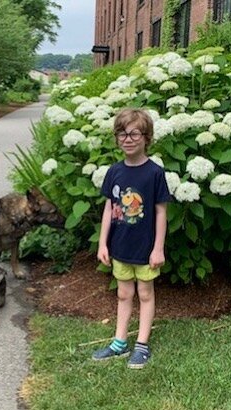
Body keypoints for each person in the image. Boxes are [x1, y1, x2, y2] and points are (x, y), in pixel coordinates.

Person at [92, 108, 171, 369]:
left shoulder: (154, 173)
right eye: (122, 133)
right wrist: (103, 243)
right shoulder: (114, 171)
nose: (128, 139)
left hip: (146, 249)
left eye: (134, 133)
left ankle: (142, 345)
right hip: (120, 247)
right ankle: (119, 343)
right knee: (124, 294)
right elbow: (108, 208)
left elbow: (161, 212)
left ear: (146, 137)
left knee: (145, 293)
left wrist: (158, 248)